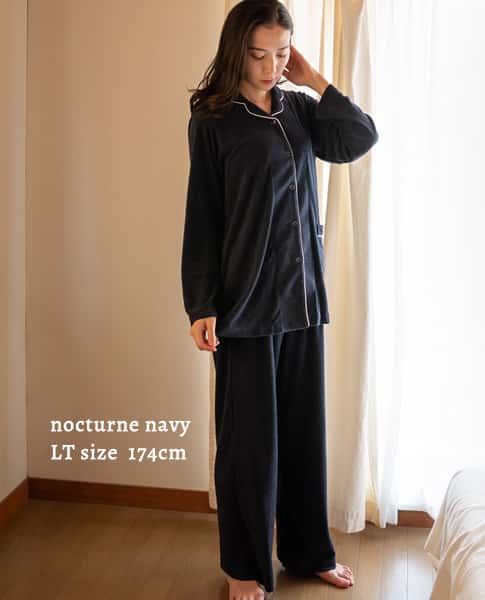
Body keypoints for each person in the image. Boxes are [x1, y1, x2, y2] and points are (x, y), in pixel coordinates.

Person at [181, 1, 378, 598]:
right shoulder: (213, 120)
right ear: (236, 51)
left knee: (302, 437)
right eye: (258, 54)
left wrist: (314, 79)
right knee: (248, 447)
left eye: (282, 54)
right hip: (244, 308)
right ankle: (243, 567)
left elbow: (360, 137)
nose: (271, 67)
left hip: (302, 300)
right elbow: (203, 217)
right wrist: (201, 304)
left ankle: (308, 551)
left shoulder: (300, 111)